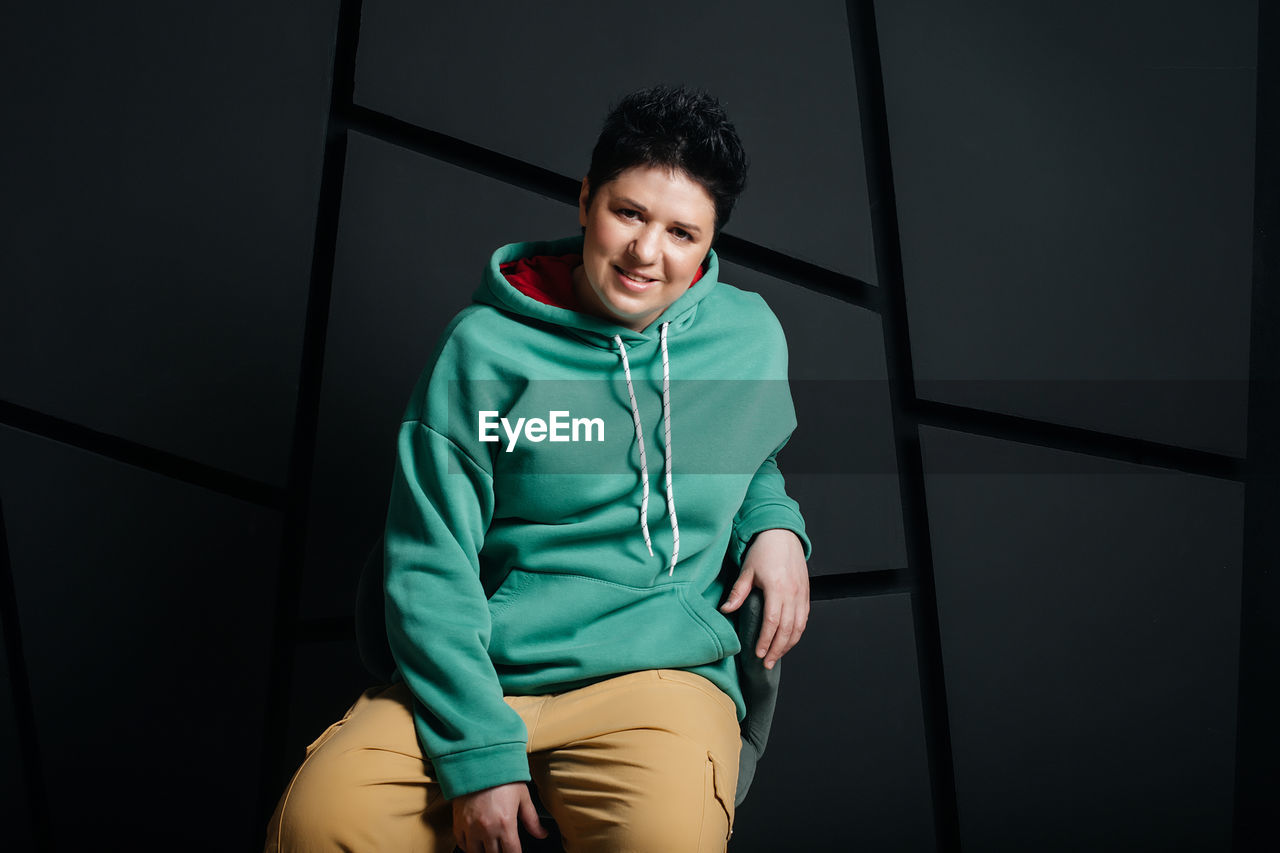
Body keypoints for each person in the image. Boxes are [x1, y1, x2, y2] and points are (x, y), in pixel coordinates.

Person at [264, 84, 811, 852]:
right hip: (488, 666)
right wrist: (481, 753)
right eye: (629, 213)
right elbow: (428, 565)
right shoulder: (481, 351)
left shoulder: (746, 337)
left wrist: (775, 524)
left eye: (682, 232)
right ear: (587, 199)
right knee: (318, 823)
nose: (647, 253)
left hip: (659, 672)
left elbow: (743, 450)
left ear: (710, 241)